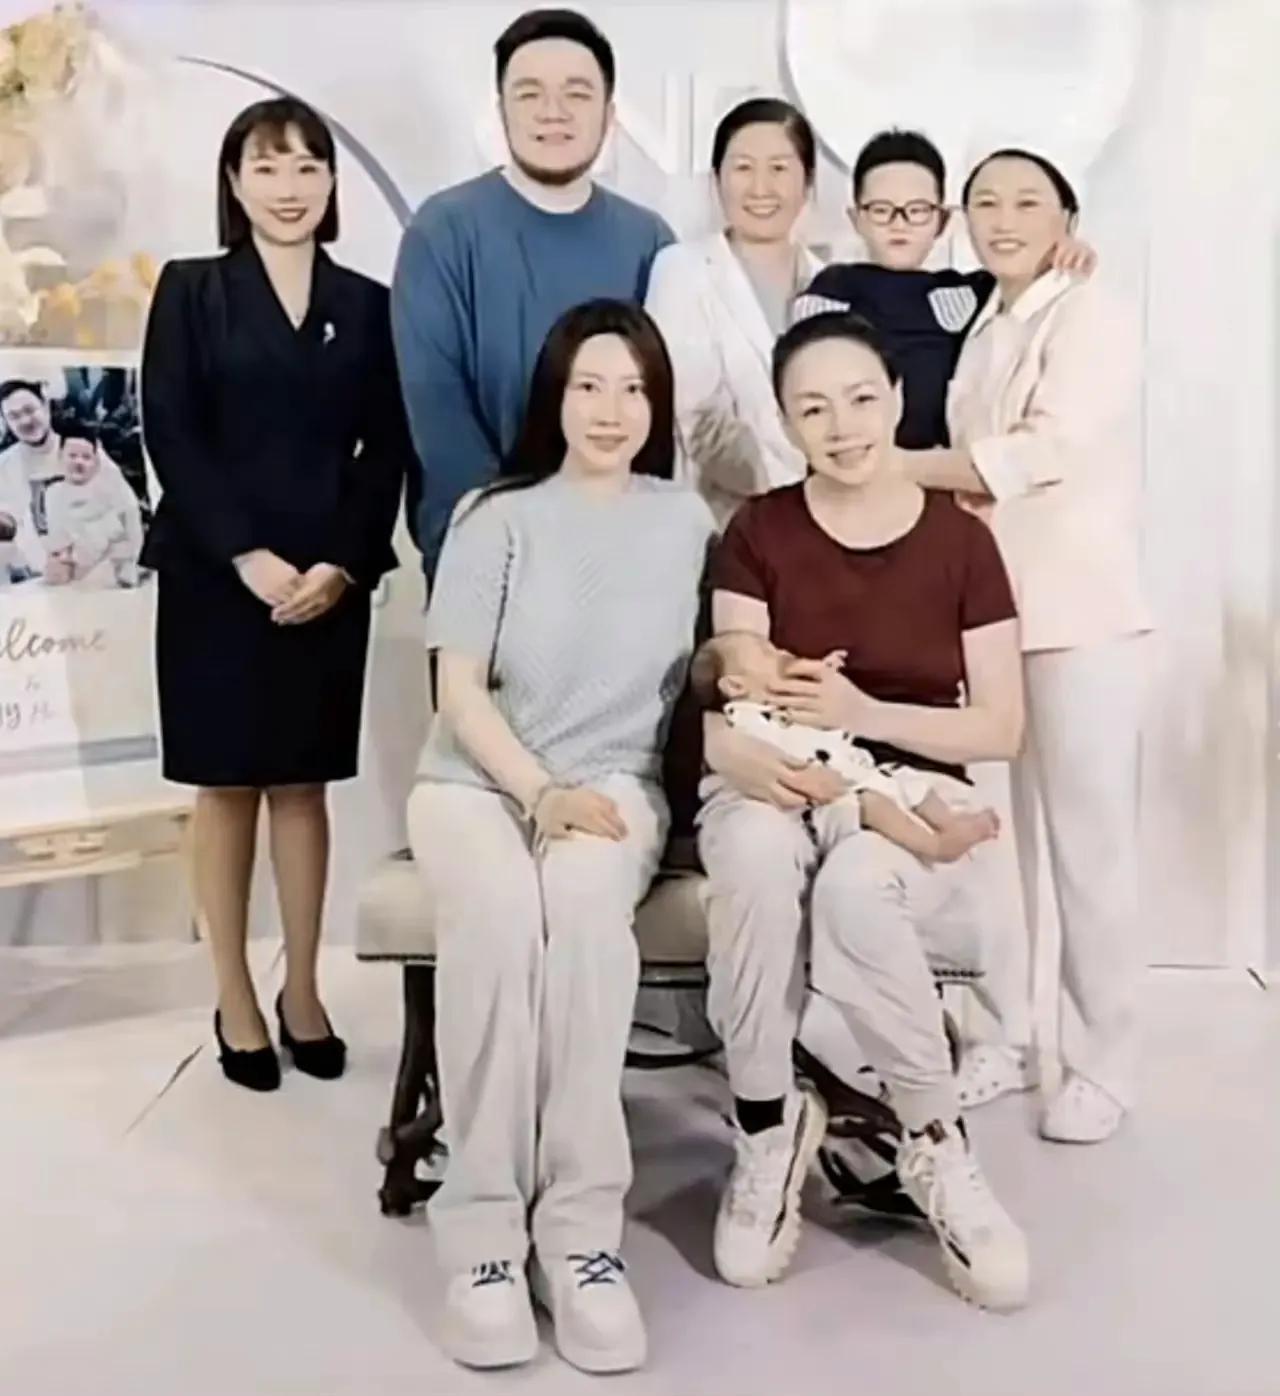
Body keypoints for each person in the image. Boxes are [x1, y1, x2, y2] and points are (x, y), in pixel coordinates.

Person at [697, 309, 1029, 1311]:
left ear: (896, 398)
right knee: (755, 858)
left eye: (858, 399)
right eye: (812, 409)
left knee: (854, 886)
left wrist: (865, 714)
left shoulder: (962, 542)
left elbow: (1001, 727)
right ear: (784, 422)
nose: (840, 426)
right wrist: (746, 742)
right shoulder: (757, 530)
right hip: (782, 770)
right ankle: (765, 1127)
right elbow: (734, 679)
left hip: (915, 783)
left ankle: (935, 1142)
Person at [408, 300, 713, 1374]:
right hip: (477, 782)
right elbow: (457, 692)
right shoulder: (494, 516)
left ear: (657, 405)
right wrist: (536, 793)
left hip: (615, 785)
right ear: (555, 396)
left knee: (583, 916)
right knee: (498, 921)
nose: (610, 409)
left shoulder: (686, 522)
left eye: (633, 388)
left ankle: (581, 1236)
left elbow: (706, 670)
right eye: (589, 385)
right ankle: (485, 1242)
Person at [139, 98, 410, 1093]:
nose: (288, 188)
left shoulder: (368, 304)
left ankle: (301, 989)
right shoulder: (191, 290)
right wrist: (245, 555)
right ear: (234, 181)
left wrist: (343, 562)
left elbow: (386, 446)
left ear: (331, 183)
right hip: (216, 579)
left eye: (306, 168)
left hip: (325, 584)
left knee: (302, 785)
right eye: (266, 167)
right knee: (226, 786)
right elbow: (170, 430)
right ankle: (233, 996)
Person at [897, 148, 1152, 1144]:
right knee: (990, 847)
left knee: (1088, 848)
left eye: (1026, 202)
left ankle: (1101, 1063)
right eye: (984, 203)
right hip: (988, 619)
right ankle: (1002, 1035)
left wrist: (904, 468)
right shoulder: (984, 319)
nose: (1002, 219)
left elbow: (1045, 449)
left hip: (1079, 616)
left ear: (1065, 219)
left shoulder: (1089, 312)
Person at [391, 7, 673, 574]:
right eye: (529, 94)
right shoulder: (443, 231)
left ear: (609, 114)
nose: (553, 112)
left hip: (620, 554)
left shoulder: (651, 241)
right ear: (501, 110)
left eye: (576, 94)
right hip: (482, 555)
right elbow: (439, 416)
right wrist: (515, 538)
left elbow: (661, 412)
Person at [794, 129, 1094, 449]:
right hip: (851, 455)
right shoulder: (833, 288)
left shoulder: (968, 292)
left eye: (917, 210)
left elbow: (1025, 281)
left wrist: (1067, 249)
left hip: (944, 466)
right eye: (881, 210)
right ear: (856, 218)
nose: (899, 223)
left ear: (943, 220)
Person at [645, 98, 821, 525]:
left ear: (807, 182)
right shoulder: (681, 269)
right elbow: (697, 417)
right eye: (743, 168)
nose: (760, 188)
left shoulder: (832, 282)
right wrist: (793, 493)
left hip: (828, 526)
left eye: (779, 168)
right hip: (721, 523)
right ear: (716, 180)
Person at [709, 631, 1002, 863]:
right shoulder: (746, 720)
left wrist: (824, 669)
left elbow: (814, 699)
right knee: (874, 805)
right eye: (765, 653)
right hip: (826, 800)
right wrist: (808, 778)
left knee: (908, 780)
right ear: (735, 686)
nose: (779, 652)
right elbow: (774, 755)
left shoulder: (784, 699)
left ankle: (950, 822)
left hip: (857, 770)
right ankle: (935, 846)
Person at [42, 422, 144, 588]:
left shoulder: (113, 489)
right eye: (72, 456)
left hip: (113, 567)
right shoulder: (53, 494)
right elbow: (59, 542)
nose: (79, 462)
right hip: (76, 570)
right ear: (60, 456)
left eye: (86, 457)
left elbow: (133, 531)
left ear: (96, 461)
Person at [0, 379, 65, 578]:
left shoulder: (80, 450)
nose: (25, 421)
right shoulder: (4, 464)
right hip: (31, 579)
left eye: (29, 410)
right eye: (14, 416)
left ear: (45, 406)